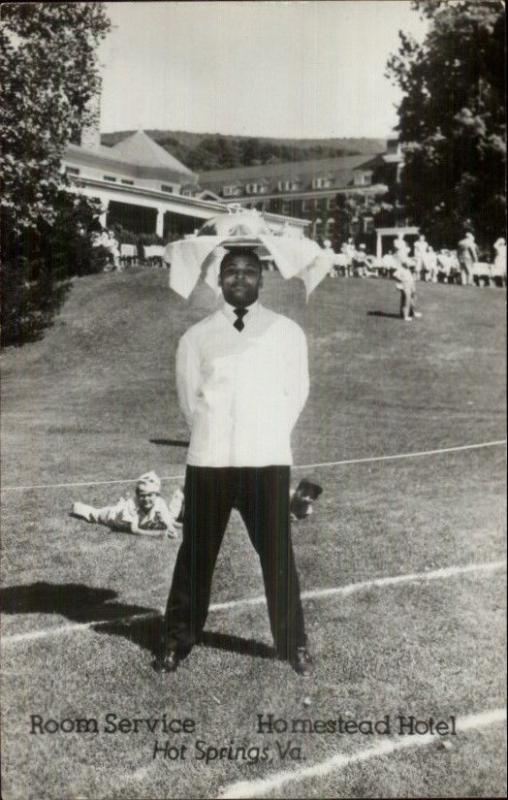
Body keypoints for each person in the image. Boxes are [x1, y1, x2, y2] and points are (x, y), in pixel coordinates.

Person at [155, 247, 313, 676]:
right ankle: (176, 641)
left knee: (277, 554)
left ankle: (292, 644)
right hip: (210, 460)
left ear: (262, 280)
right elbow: (190, 403)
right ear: (218, 280)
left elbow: (296, 395)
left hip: (266, 460)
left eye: (249, 272)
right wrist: (217, 432)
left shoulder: (286, 333)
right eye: (231, 272)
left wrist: (264, 435)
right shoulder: (197, 337)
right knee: (195, 556)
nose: (239, 279)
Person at [71, 471, 182, 538]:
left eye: (150, 495)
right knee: (95, 515)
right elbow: (135, 530)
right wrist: (159, 534)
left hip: (130, 514)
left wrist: (171, 529)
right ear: (137, 495)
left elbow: (168, 521)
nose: (146, 499)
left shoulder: (159, 502)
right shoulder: (132, 505)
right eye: (142, 495)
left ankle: (120, 503)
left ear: (157, 495)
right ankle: (78, 507)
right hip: (113, 517)